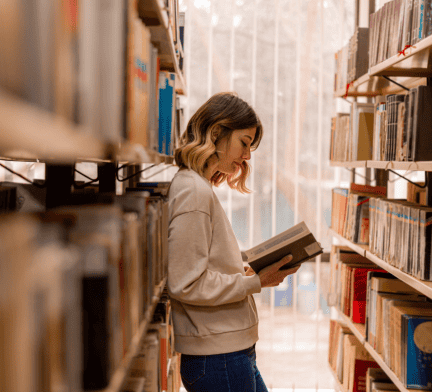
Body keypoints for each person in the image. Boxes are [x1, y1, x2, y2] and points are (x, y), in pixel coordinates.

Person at [167, 92, 300, 392]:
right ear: (216, 133)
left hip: (228, 352)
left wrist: (242, 269)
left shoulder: (197, 187)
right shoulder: (194, 192)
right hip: (219, 356)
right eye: (244, 142)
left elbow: (200, 263)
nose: (248, 156)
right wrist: (256, 282)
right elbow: (187, 283)